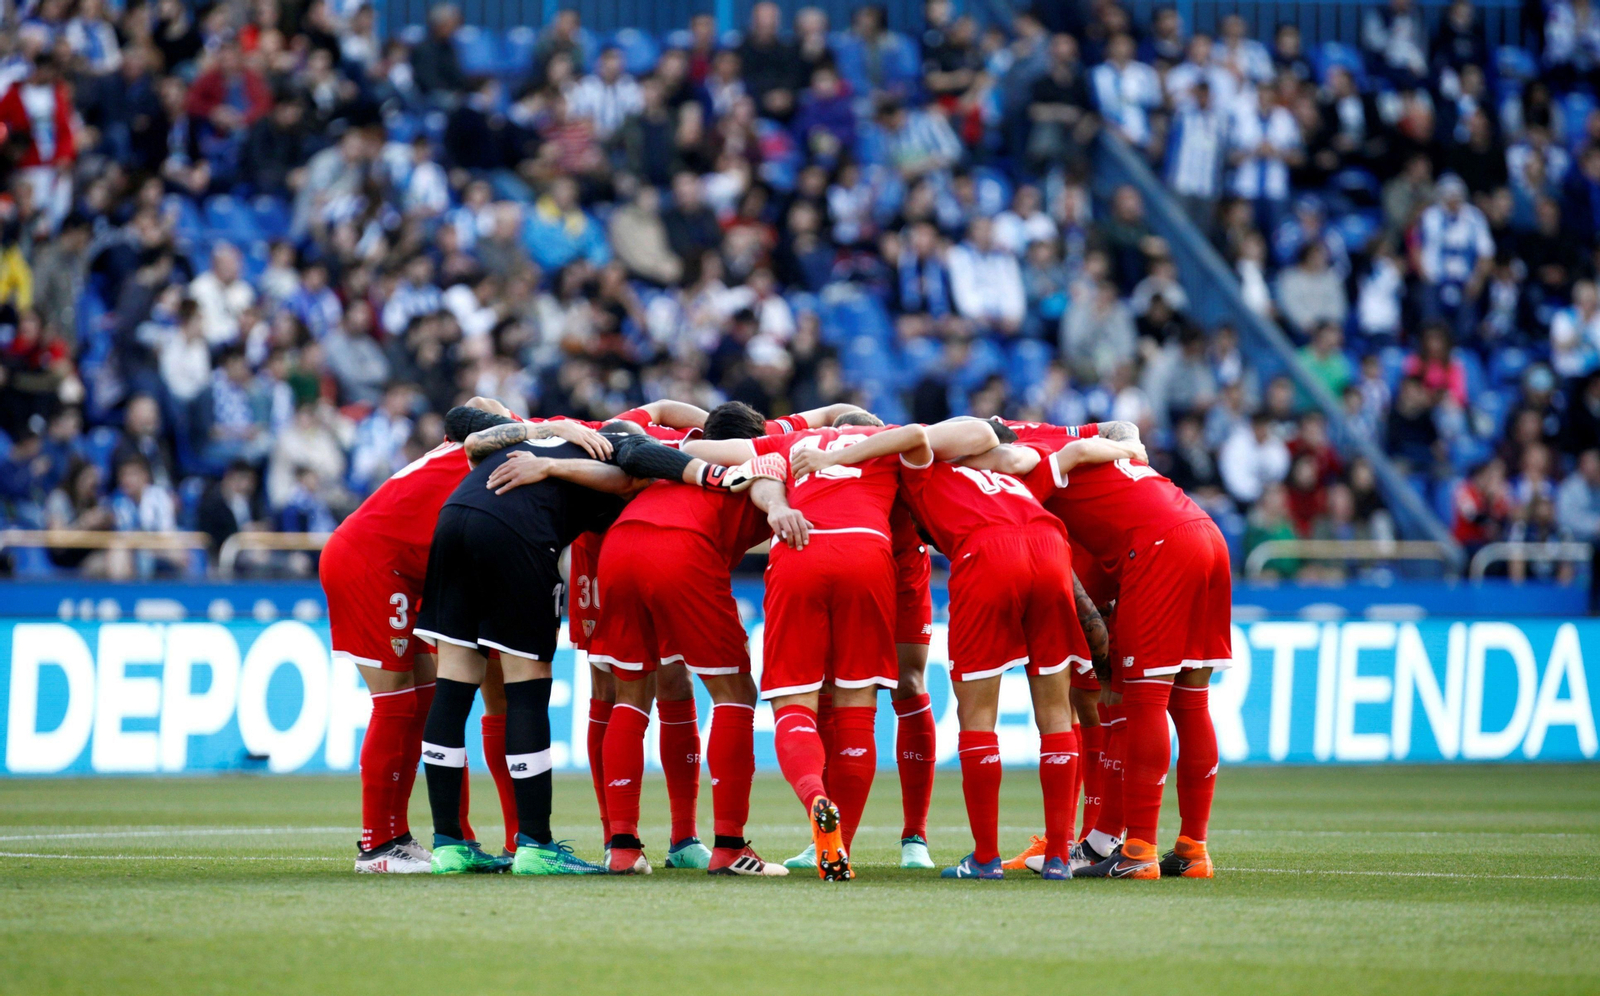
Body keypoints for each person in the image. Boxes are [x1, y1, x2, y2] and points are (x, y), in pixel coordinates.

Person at [791, 418, 1140, 879]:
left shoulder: (922, 468)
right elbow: (1074, 454)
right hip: (1051, 550)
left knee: (978, 717)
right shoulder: (1012, 471)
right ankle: (1059, 858)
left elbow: (914, 438)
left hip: (986, 553)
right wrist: (1131, 450)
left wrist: (830, 458)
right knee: (1058, 714)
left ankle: (986, 858)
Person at [320, 399, 614, 873]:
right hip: (374, 564)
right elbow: (512, 421)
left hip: (425, 569)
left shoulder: (489, 449)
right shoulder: (511, 444)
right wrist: (558, 426)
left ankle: (459, 841)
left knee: (432, 699)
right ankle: (379, 845)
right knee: (397, 704)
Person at [996, 418, 1229, 879]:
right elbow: (1123, 427)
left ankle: (1139, 849)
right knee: (1190, 701)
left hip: (1159, 547)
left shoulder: (1023, 464)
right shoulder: (1057, 432)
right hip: (1204, 532)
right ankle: (1191, 848)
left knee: (1141, 700)